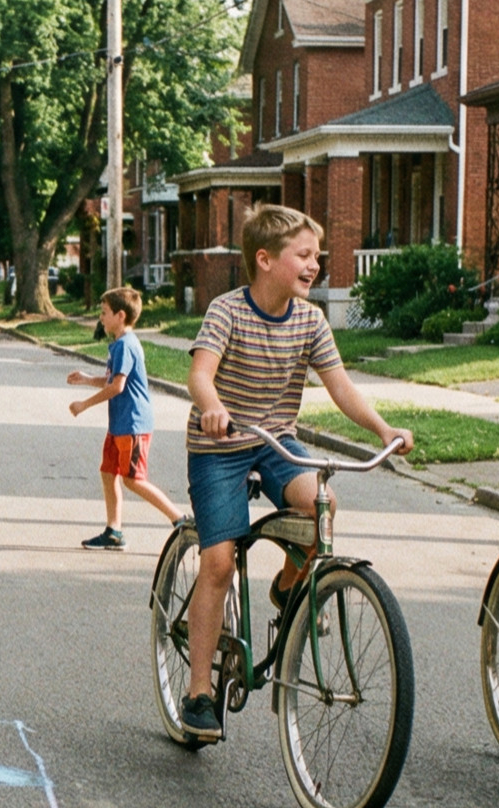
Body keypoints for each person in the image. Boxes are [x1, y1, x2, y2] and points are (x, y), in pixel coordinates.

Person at [178, 204, 415, 741]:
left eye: (317, 255)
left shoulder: (310, 319)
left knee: (323, 513)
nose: (315, 265)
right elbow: (199, 374)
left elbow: (340, 387)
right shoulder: (226, 311)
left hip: (275, 442)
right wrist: (212, 406)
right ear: (264, 260)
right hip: (220, 446)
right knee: (218, 560)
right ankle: (198, 692)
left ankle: (288, 588)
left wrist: (382, 429)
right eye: (304, 255)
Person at [67, 286, 187, 550]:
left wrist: (84, 405)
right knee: (109, 472)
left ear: (120, 315)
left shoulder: (125, 345)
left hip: (133, 424)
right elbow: (113, 379)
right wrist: (87, 379)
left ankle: (180, 519)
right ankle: (113, 531)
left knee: (134, 479)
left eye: (104, 312)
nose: (101, 317)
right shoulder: (120, 344)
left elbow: (117, 387)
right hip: (120, 425)